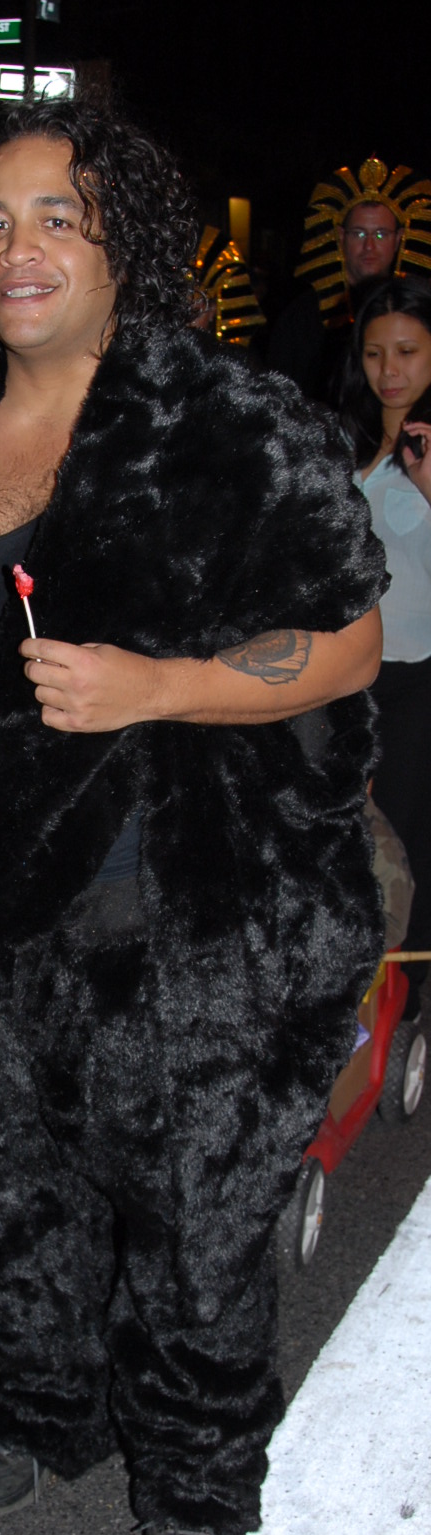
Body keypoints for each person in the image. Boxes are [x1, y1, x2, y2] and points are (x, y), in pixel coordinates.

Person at [0, 98, 385, 1535]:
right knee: (4, 1192)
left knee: (195, 1220)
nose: (16, 250)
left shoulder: (227, 421)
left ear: (123, 246)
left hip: (181, 910)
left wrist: (161, 685)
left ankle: (200, 1476)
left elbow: (348, 643)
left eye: (57, 217)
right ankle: (44, 1406)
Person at [339, 274, 431, 1006]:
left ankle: (407, 992)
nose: (390, 371)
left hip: (417, 675)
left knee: (404, 833)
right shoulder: (350, 441)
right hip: (348, 672)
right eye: (375, 354)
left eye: (407, 351)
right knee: (346, 830)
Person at [264, 156, 429, 404]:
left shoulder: (418, 311)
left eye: (381, 234)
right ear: (341, 236)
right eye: (359, 234)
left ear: (398, 239)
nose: (369, 246)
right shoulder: (302, 316)